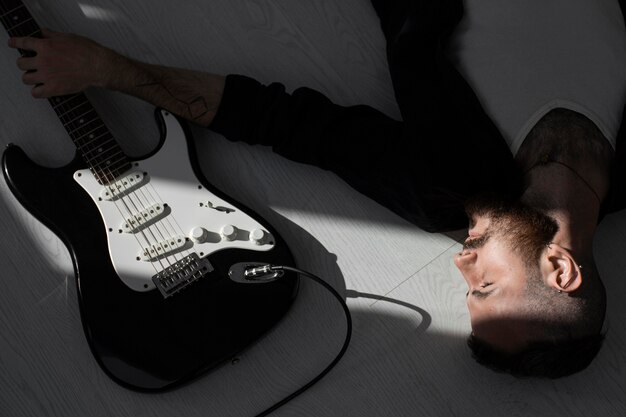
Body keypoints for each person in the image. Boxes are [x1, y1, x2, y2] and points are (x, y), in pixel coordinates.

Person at [7, 0, 626, 377]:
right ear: (560, 268)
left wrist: (107, 70)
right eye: (486, 284)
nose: (462, 262)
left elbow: (282, 122)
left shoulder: (452, 189)